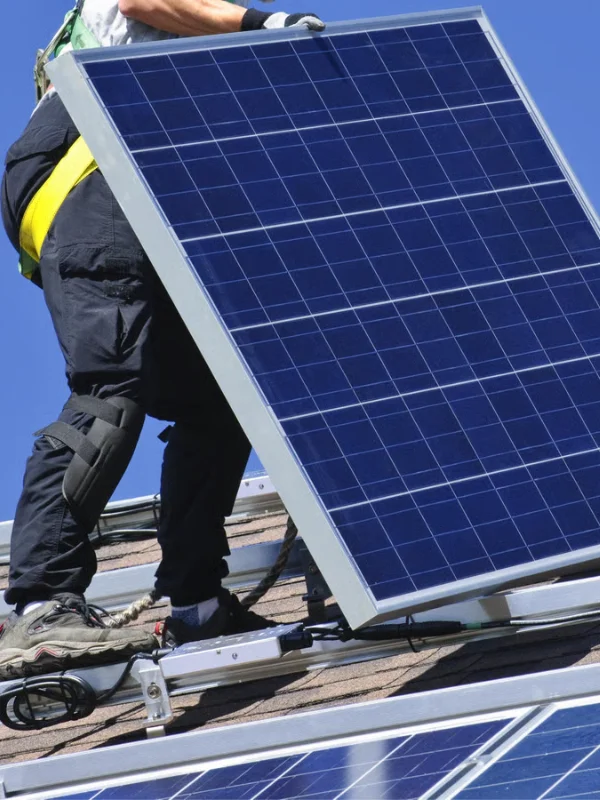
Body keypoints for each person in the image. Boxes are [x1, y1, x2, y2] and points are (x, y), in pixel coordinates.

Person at [0, 0, 326, 680]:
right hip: (91, 168)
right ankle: (38, 606)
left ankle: (197, 605)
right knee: (112, 387)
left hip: (131, 177)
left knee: (217, 399)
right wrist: (259, 25)